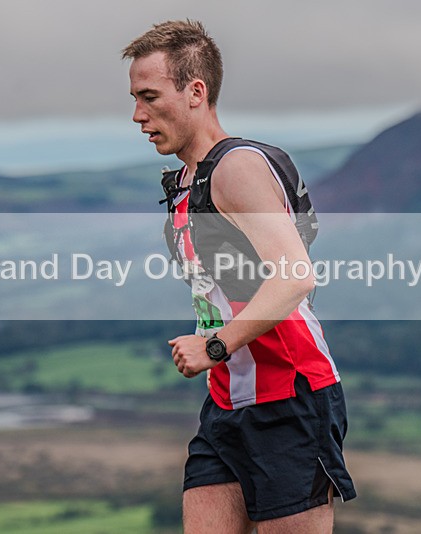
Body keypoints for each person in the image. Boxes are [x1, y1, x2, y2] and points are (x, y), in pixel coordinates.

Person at [122, 20, 356, 533]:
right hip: (229, 398)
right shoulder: (189, 179)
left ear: (195, 92)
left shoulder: (236, 167)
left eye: (149, 97)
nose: (138, 115)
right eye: (134, 99)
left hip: (290, 397)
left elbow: (295, 277)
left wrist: (213, 346)